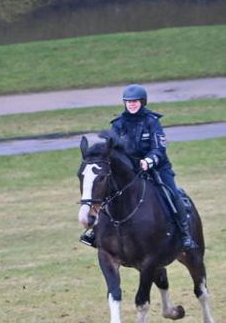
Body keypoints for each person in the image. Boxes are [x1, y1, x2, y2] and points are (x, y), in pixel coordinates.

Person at [79, 83, 198, 252]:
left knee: (171, 193)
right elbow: (113, 148)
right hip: (129, 169)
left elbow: (159, 148)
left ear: (143, 102)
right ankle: (94, 232)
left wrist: (148, 161)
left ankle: (185, 234)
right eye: (128, 101)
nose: (132, 104)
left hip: (156, 167)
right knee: (106, 191)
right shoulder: (118, 123)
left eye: (135, 101)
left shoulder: (152, 121)